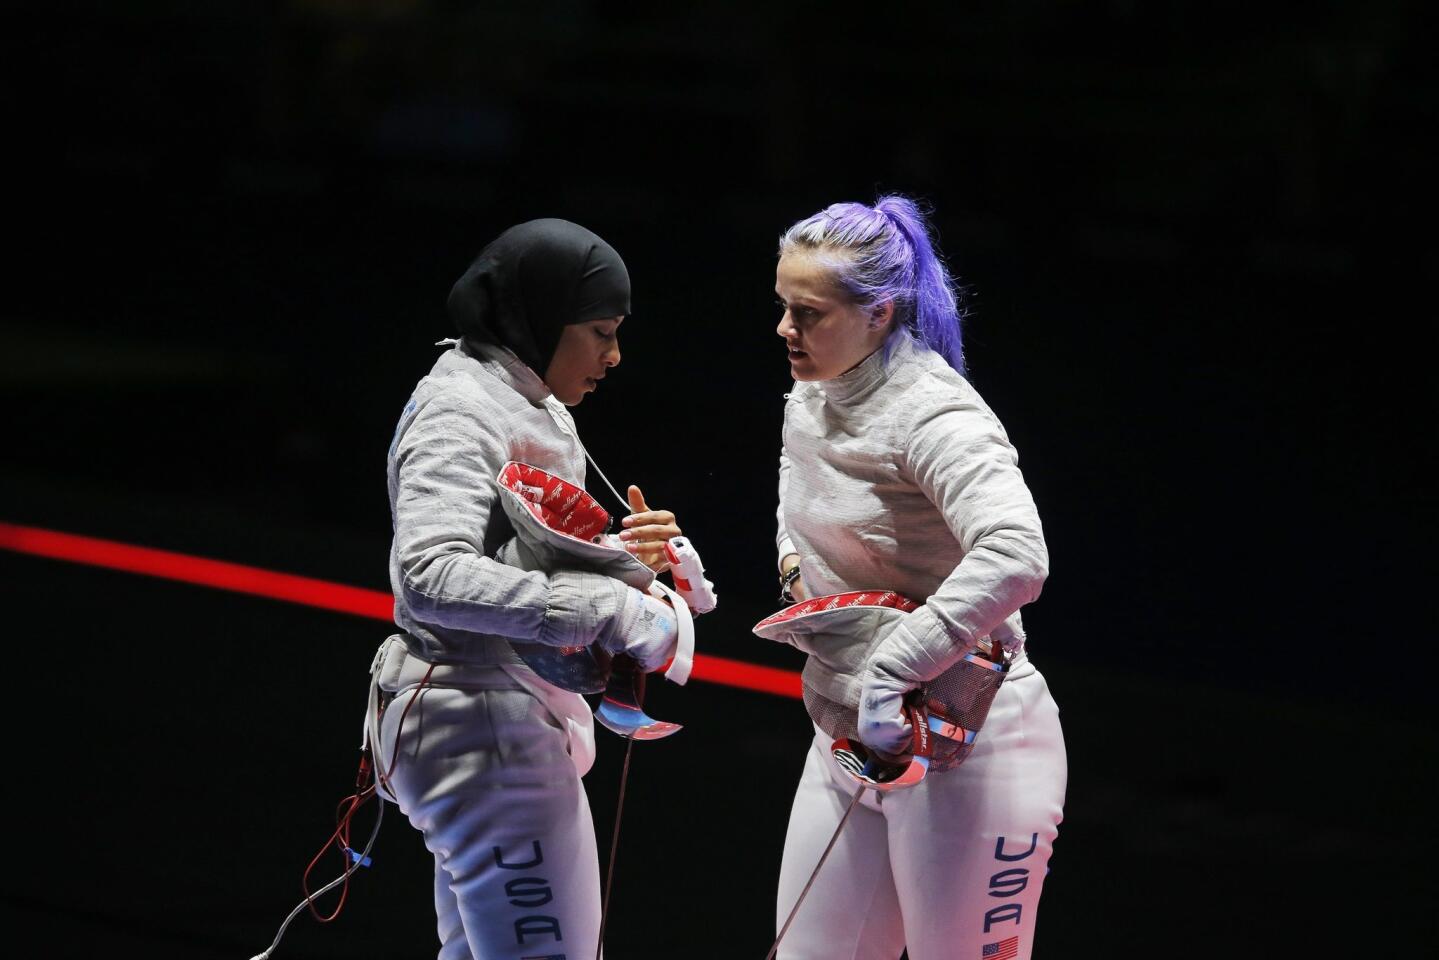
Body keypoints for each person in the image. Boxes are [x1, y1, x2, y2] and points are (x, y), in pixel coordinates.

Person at [368, 218, 685, 960]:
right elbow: (430, 573)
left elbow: (511, 555)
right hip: (478, 723)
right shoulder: (460, 409)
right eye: (599, 330)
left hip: (496, 716)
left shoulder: (527, 400)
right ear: (537, 316)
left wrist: (618, 559)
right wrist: (604, 606)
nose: (613, 354)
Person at [768, 196, 1067, 960]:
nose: (785, 331)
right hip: (849, 738)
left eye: (807, 313)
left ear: (879, 313)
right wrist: (795, 568)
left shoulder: (933, 414)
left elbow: (1015, 551)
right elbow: (797, 493)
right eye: (782, 309)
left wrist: (890, 670)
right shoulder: (813, 389)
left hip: (972, 742)